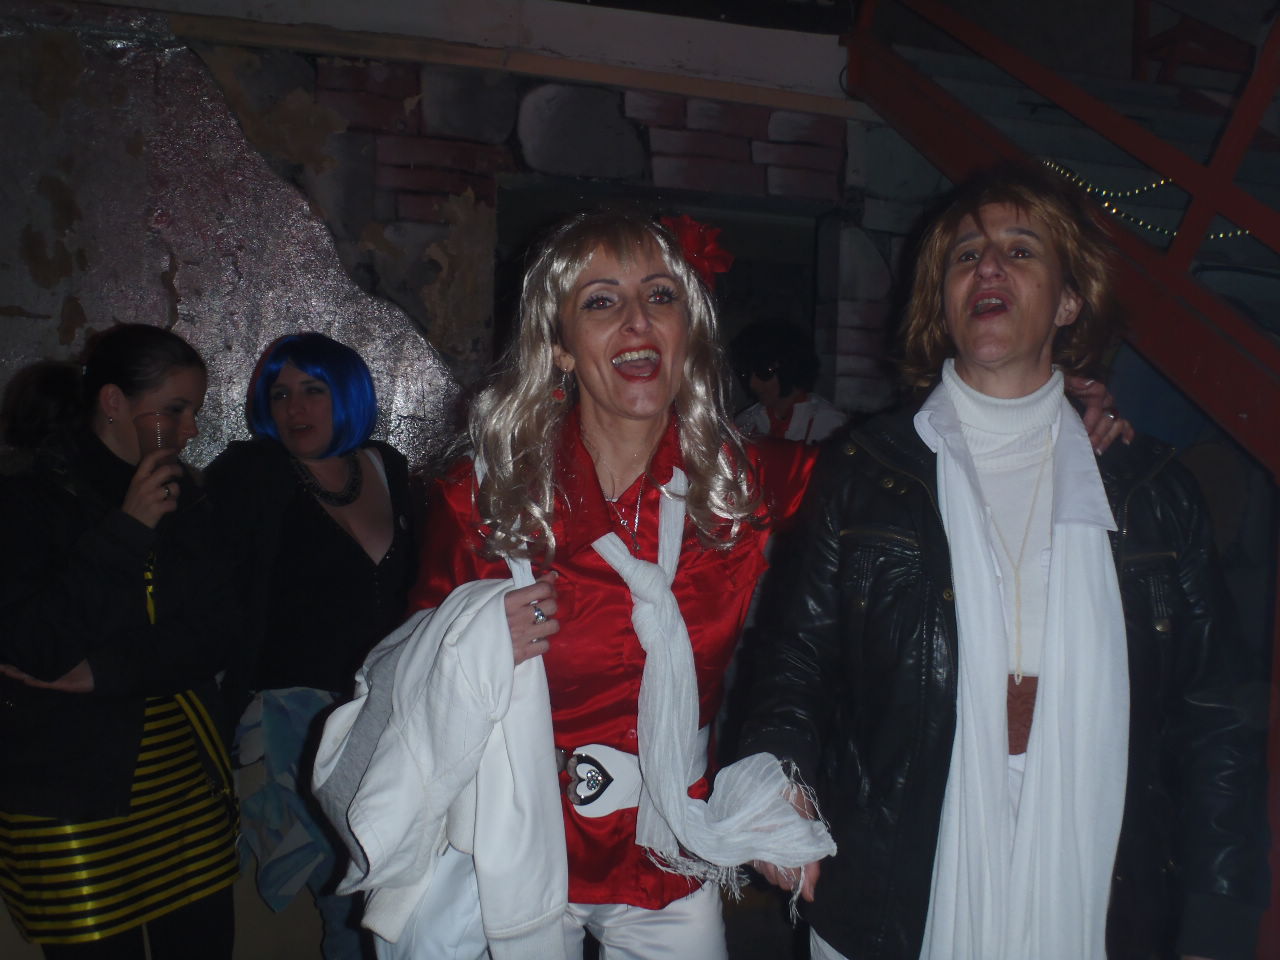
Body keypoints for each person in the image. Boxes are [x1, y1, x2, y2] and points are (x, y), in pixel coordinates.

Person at [740, 165, 1269, 960]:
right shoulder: (867, 470)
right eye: (965, 256)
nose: (987, 267)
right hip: (898, 880)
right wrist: (778, 777)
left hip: (1097, 881)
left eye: (1020, 251)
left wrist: (1216, 915)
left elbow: (1216, 716)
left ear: (1068, 301)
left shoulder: (1150, 492)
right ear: (943, 302)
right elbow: (794, 659)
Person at [315, 210, 840, 959]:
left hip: (668, 849)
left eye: (660, 296)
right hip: (511, 847)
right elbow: (405, 674)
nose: (637, 320)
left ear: (686, 330)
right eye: (601, 301)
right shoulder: (485, 498)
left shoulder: (743, 486)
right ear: (560, 346)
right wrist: (472, 637)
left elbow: (902, 486)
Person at [0, 324, 238, 959]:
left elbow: (218, 633)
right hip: (70, 789)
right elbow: (35, 647)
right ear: (113, 402)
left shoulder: (189, 497)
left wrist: (106, 671)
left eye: (194, 411)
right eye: (175, 410)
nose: (189, 430)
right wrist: (128, 530)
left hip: (182, 784)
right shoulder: (28, 497)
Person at [204, 332, 417, 960]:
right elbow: (214, 590)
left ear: (347, 394)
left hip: (387, 708)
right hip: (296, 711)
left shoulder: (386, 466)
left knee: (393, 887)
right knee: (343, 898)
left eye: (313, 390)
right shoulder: (255, 473)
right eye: (281, 394)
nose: (295, 408)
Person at [731, 320, 846, 445]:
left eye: (763, 371)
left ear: (790, 367)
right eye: (746, 374)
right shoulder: (744, 423)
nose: (752, 384)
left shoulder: (830, 425)